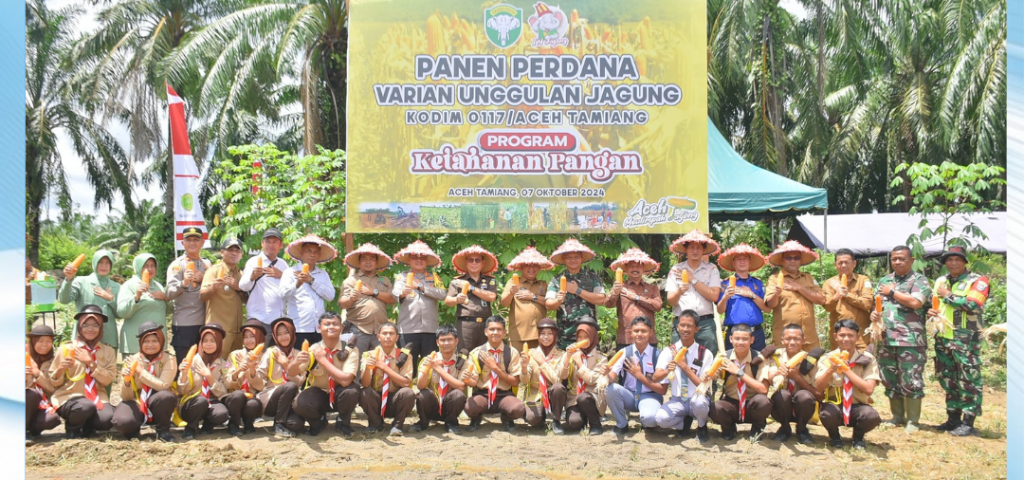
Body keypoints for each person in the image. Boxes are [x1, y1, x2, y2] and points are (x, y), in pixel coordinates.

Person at [927, 245, 990, 437]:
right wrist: (933, 311)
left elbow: (972, 304)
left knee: (969, 379)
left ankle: (968, 422)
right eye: (949, 260)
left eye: (957, 259)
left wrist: (948, 295)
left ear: (964, 262)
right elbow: (937, 303)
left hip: (966, 339)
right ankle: (953, 418)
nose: (953, 263)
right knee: (948, 378)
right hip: (944, 337)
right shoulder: (941, 280)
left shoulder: (978, 281)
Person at [871, 245, 932, 433]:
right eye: (894, 259)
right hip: (886, 339)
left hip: (910, 340)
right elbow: (877, 304)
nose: (897, 262)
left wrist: (891, 292)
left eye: (902, 259)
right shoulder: (885, 280)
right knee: (889, 378)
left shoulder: (919, 280)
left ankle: (913, 421)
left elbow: (916, 302)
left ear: (911, 260)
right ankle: (897, 416)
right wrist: (874, 315)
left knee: (911, 379)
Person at [47, 305, 116, 439]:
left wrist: (90, 362)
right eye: (86, 325)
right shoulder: (67, 348)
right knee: (84, 406)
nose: (90, 329)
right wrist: (61, 368)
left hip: (97, 397)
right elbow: (53, 381)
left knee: (107, 420)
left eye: (95, 325)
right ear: (79, 327)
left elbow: (108, 379)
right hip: (70, 397)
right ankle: (72, 428)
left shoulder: (108, 351)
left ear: (101, 328)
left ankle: (87, 426)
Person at [814, 320, 882, 449]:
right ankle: (834, 436)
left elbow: (868, 389)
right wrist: (830, 370)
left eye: (851, 335)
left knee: (871, 416)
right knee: (826, 414)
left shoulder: (867, 359)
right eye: (842, 335)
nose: (846, 339)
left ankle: (858, 437)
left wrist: (846, 369)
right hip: (835, 405)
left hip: (858, 406)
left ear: (858, 337)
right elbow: (818, 387)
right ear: (835, 337)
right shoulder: (827, 358)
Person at [293, 312, 360, 436]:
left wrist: (323, 360)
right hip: (320, 395)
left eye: (335, 324)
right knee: (300, 402)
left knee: (351, 390)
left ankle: (343, 422)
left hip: (341, 395)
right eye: (327, 324)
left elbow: (346, 380)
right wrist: (295, 362)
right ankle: (318, 422)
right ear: (319, 328)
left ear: (341, 328)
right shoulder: (313, 350)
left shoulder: (350, 350)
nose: (331, 327)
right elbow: (292, 372)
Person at [654, 310, 715, 442]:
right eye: (682, 325)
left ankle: (702, 426)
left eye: (690, 326)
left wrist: (684, 367)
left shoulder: (705, 353)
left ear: (697, 329)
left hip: (697, 397)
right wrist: (666, 371)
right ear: (677, 327)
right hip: (678, 399)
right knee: (661, 419)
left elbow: (702, 385)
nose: (685, 329)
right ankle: (684, 424)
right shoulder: (668, 351)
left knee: (699, 403)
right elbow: (656, 377)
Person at [111, 321, 177, 441]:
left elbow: (163, 385)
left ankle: (163, 430)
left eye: (154, 341)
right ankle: (133, 429)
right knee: (122, 421)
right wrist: (127, 381)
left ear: (161, 341)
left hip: (157, 400)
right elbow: (125, 397)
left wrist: (141, 372)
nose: (150, 345)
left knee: (166, 396)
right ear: (140, 343)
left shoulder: (169, 359)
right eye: (146, 341)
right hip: (136, 400)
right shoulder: (132, 360)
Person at [758, 324, 824, 443]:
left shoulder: (811, 360)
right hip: (782, 406)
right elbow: (770, 377)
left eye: (797, 339)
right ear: (782, 340)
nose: (792, 342)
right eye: (788, 339)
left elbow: (819, 395)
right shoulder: (775, 356)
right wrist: (778, 373)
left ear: (804, 340)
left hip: (803, 408)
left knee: (804, 396)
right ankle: (784, 428)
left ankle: (802, 429)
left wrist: (798, 378)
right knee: (782, 395)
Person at [707, 324, 773, 440]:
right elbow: (711, 376)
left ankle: (757, 428)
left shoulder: (759, 358)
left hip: (752, 405)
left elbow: (763, 389)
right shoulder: (724, 357)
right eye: (737, 338)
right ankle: (729, 428)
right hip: (731, 403)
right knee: (715, 407)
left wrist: (739, 373)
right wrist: (707, 375)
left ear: (752, 340)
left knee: (763, 402)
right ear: (731, 339)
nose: (740, 342)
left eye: (745, 339)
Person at [462, 316, 527, 432]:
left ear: (504, 332)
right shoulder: (476, 353)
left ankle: (507, 418)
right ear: (485, 332)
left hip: (504, 395)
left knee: (518, 408)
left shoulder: (512, 353)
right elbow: (474, 381)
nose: (495, 332)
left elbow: (515, 382)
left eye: (499, 329)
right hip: (483, 394)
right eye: (491, 329)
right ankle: (476, 418)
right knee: (469, 407)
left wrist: (494, 368)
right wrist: (467, 380)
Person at [605, 316, 666, 435]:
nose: (639, 334)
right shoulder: (624, 353)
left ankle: (646, 420)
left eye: (644, 331)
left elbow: (662, 390)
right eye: (636, 331)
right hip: (630, 395)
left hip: (650, 396)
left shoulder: (658, 355)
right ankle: (622, 424)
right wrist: (605, 374)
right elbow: (612, 377)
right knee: (610, 389)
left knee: (650, 420)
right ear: (631, 333)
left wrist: (639, 375)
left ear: (651, 333)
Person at [665, 230, 722, 354]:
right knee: (678, 360)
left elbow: (714, 296)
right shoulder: (676, 270)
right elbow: (670, 300)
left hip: (705, 323)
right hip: (682, 322)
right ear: (686, 250)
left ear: (703, 250)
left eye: (698, 248)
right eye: (691, 247)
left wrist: (693, 279)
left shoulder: (712, 269)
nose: (695, 251)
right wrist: (679, 292)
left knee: (708, 361)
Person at [392, 240, 447, 369]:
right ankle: (406, 389)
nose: (419, 260)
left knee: (429, 364)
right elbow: (395, 293)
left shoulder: (434, 277)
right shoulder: (402, 276)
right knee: (406, 364)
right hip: (407, 328)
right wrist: (402, 293)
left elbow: (442, 294)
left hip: (430, 328)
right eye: (415, 257)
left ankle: (427, 389)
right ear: (409, 261)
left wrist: (421, 286)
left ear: (427, 261)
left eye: (422, 257)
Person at [545, 238, 607, 350]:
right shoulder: (557, 280)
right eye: (569, 257)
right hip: (565, 333)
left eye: (576, 257)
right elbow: (548, 304)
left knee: (589, 365)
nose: (573, 260)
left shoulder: (593, 278)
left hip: (588, 332)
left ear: (582, 258)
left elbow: (601, 299)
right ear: (564, 259)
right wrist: (558, 301)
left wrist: (577, 291)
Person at [765, 240, 826, 351]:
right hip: (786, 339)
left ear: (801, 260)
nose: (792, 261)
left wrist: (799, 288)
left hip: (809, 338)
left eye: (796, 258)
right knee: (785, 367)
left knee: (812, 366)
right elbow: (770, 304)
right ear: (782, 260)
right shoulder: (774, 278)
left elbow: (821, 299)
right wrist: (776, 294)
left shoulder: (809, 278)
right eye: (789, 258)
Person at [280, 235, 338, 347]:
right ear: (302, 252)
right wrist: (298, 283)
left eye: (316, 252)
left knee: (318, 361)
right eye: (309, 251)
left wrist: (312, 281)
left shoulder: (322, 274)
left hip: (320, 328)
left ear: (319, 255)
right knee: (300, 360)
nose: (312, 254)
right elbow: (283, 294)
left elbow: (330, 296)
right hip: (299, 327)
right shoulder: (290, 272)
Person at [358, 323, 415, 435]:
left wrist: (384, 367)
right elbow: (365, 383)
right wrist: (367, 369)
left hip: (396, 399)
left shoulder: (404, 356)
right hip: (376, 400)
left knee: (408, 393)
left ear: (397, 337)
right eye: (384, 333)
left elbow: (406, 382)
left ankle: (398, 425)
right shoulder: (369, 355)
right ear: (378, 337)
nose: (388, 336)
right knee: (364, 392)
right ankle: (375, 424)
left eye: (391, 333)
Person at [256, 317, 309, 437]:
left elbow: (300, 382)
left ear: (292, 333)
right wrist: (250, 370)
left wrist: (285, 364)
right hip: (271, 398)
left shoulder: (298, 354)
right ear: (275, 337)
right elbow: (259, 375)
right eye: (279, 334)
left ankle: (283, 421)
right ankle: (278, 424)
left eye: (286, 333)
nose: (283, 337)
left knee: (296, 424)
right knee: (289, 386)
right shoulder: (271, 352)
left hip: (291, 400)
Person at [176, 323, 230, 440]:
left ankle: (207, 426)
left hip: (211, 402)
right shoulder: (191, 360)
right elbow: (181, 390)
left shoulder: (224, 364)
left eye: (213, 341)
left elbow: (223, 392)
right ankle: (191, 427)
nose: (208, 344)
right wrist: (184, 374)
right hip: (191, 404)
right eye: (205, 341)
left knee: (222, 413)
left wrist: (209, 377)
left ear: (219, 343)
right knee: (201, 401)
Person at [339, 243, 396, 353]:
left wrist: (373, 292)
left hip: (380, 331)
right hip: (358, 330)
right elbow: (342, 304)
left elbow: (392, 299)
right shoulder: (351, 280)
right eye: (364, 259)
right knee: (356, 365)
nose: (368, 262)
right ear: (359, 262)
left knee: (378, 365)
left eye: (372, 259)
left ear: (376, 262)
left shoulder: (384, 280)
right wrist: (350, 298)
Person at [166, 227, 212, 361]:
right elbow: (169, 293)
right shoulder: (177, 265)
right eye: (189, 240)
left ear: (202, 243)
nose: (192, 243)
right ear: (182, 243)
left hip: (205, 323)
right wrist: (184, 282)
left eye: (196, 240)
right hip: (185, 324)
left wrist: (203, 278)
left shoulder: (207, 264)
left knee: (203, 364)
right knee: (185, 365)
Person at [60, 250, 121, 352]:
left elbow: (120, 314)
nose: (104, 266)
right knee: (81, 367)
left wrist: (110, 299)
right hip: (84, 337)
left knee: (106, 368)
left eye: (107, 263)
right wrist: (68, 279)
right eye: (100, 262)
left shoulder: (116, 287)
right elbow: (64, 300)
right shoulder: (81, 282)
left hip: (108, 338)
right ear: (94, 263)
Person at [412, 325, 468, 434]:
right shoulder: (429, 359)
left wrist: (438, 369)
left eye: (449, 340)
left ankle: (451, 423)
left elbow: (461, 386)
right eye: (443, 340)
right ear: (437, 342)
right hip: (432, 406)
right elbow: (420, 386)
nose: (446, 343)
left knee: (458, 394)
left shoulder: (462, 361)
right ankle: (423, 422)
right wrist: (427, 368)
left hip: (450, 407)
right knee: (423, 394)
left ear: (456, 341)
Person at [519, 318, 571, 433]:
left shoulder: (561, 355)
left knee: (558, 388)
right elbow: (524, 380)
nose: (546, 337)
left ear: (555, 336)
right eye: (542, 334)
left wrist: (542, 363)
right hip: (536, 394)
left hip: (552, 393)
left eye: (550, 334)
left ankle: (556, 420)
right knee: (532, 419)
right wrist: (523, 367)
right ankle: (540, 418)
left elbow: (557, 379)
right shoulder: (531, 353)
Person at [605, 248, 664, 350]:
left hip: (648, 338)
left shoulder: (652, 288)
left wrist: (636, 297)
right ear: (626, 269)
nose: (635, 269)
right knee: (625, 365)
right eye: (631, 266)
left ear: (643, 269)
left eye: (638, 266)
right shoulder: (620, 287)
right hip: (626, 338)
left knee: (648, 366)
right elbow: (608, 304)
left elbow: (658, 306)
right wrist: (615, 292)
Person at [445, 245, 500, 353]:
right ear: (466, 263)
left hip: (485, 324)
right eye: (471, 260)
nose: (474, 263)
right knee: (463, 356)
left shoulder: (489, 280)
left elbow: (492, 297)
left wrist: (470, 288)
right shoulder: (457, 282)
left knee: (485, 357)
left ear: (483, 263)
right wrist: (456, 300)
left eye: (477, 260)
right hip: (465, 325)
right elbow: (447, 301)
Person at [238, 228, 290, 341]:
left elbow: (290, 288)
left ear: (281, 245)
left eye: (274, 242)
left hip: (278, 320)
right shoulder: (253, 262)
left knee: (275, 356)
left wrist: (282, 275)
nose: (271, 245)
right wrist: (252, 276)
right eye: (267, 241)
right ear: (262, 244)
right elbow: (243, 286)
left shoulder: (283, 264)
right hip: (259, 318)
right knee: (258, 355)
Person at [716, 244, 770, 351]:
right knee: (733, 365)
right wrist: (725, 297)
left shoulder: (757, 283)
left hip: (756, 333)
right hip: (735, 334)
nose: (742, 261)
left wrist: (752, 295)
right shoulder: (725, 284)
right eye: (738, 259)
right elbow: (720, 310)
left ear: (750, 263)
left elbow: (767, 309)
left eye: (745, 259)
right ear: (733, 263)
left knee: (758, 364)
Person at [501, 246, 553, 351]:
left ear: (539, 267)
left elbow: (551, 304)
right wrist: (511, 293)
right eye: (527, 265)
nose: (531, 269)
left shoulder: (543, 284)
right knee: (517, 364)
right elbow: (504, 303)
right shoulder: (513, 282)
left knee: (537, 365)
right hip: (518, 334)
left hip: (540, 334)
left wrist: (533, 297)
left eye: (535, 265)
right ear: (521, 267)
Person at [116, 253, 168, 357]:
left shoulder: (158, 286)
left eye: (152, 265)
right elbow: (121, 312)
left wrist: (166, 298)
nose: (150, 269)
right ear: (138, 267)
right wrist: (137, 295)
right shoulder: (129, 285)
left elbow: (166, 310)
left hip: (156, 343)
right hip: (135, 343)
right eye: (145, 266)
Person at [223, 319, 269, 435]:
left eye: (252, 336)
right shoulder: (234, 355)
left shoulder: (266, 358)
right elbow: (227, 383)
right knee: (238, 395)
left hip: (253, 396)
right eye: (245, 337)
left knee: (253, 404)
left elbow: (261, 386)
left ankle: (249, 423)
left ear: (259, 337)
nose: (248, 340)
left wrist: (250, 368)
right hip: (235, 397)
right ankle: (233, 424)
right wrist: (239, 369)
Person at [823, 248, 875, 349]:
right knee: (839, 363)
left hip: (860, 337)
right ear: (835, 265)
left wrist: (847, 295)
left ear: (854, 263)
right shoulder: (829, 283)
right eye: (840, 263)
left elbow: (867, 304)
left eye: (846, 262)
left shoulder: (863, 280)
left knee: (862, 363)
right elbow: (828, 307)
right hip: (839, 337)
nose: (843, 265)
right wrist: (836, 296)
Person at [201, 238, 245, 355]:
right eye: (230, 250)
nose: (234, 253)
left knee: (234, 366)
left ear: (241, 255)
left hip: (237, 331)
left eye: (237, 250)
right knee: (218, 365)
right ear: (222, 252)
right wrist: (213, 288)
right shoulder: (213, 272)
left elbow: (246, 299)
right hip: (220, 330)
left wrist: (238, 288)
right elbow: (202, 296)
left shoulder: (240, 274)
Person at [563, 316, 606, 435]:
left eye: (586, 337)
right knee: (574, 423)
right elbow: (561, 376)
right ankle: (582, 418)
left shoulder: (601, 358)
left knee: (583, 398)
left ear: (593, 337)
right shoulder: (572, 354)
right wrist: (567, 357)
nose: (583, 340)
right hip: (574, 398)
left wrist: (580, 363)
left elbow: (592, 380)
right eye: (579, 337)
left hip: (592, 398)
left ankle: (595, 424)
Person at [25, 325, 61, 440]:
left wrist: (37, 374)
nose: (45, 345)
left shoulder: (53, 361)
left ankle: (31, 430)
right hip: (22, 404)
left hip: (42, 404)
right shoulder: (21, 357)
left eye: (48, 341)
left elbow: (52, 389)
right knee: (32, 394)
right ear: (32, 342)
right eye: (40, 341)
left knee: (52, 419)